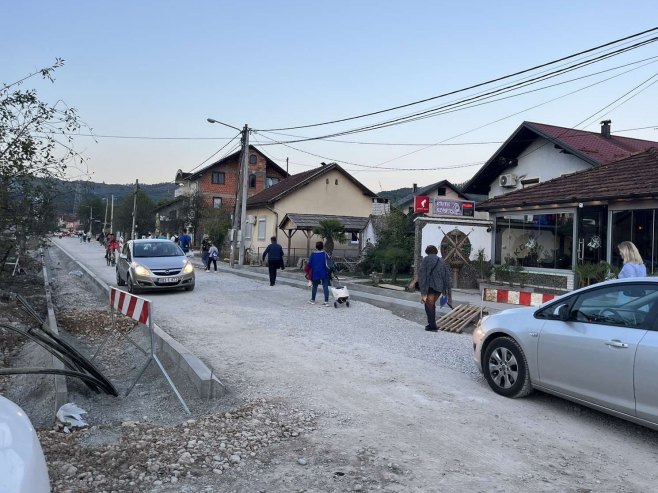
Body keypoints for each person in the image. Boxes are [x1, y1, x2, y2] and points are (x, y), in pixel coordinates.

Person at [418, 245, 452, 332]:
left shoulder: (426, 260)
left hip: (430, 286)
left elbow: (422, 274)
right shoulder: (441, 261)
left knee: (429, 306)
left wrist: (422, 289)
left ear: (427, 251)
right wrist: (445, 290)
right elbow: (446, 276)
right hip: (439, 287)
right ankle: (432, 324)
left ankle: (432, 326)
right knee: (431, 305)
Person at [307, 241, 331, 306]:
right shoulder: (325, 254)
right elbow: (329, 262)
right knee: (325, 286)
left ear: (316, 246)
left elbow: (310, 264)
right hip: (324, 272)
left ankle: (313, 300)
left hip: (315, 272)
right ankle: (326, 302)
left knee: (315, 286)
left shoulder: (313, 254)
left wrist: (308, 271)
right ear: (322, 246)